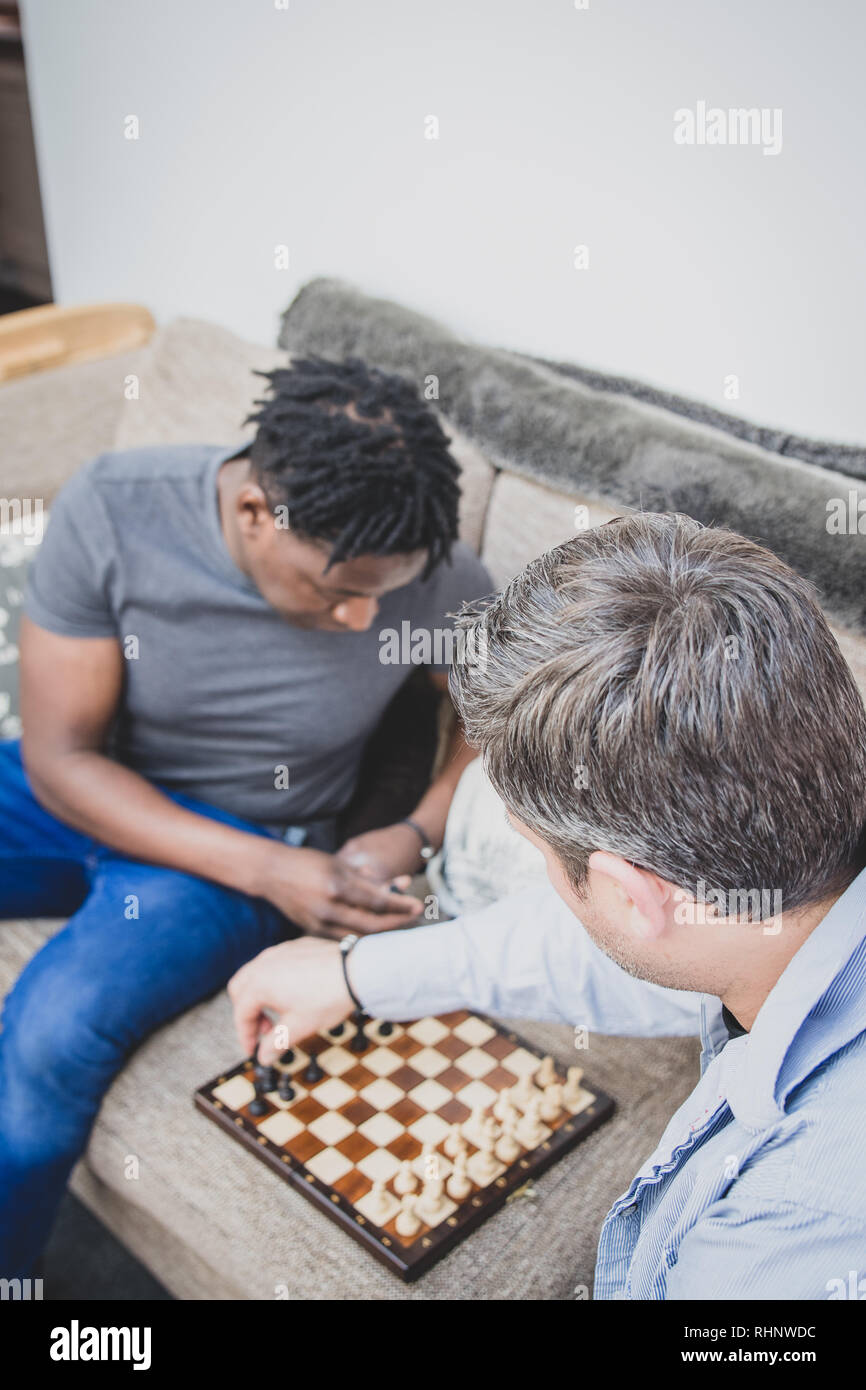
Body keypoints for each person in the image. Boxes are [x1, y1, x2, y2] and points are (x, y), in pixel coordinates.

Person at [229, 513, 866, 1300]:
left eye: (543, 860)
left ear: (636, 895)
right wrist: (357, 972)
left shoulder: (778, 1246)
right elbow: (660, 947)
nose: (553, 890)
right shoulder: (777, 902)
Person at [0, 356, 491, 1277]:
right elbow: (60, 759)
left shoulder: (436, 572)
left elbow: (498, 720)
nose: (363, 619)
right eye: (338, 591)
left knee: (52, 1034)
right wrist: (268, 876)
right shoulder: (116, 506)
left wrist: (418, 826)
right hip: (87, 790)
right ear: (255, 514)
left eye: (385, 594)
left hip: (251, 840)